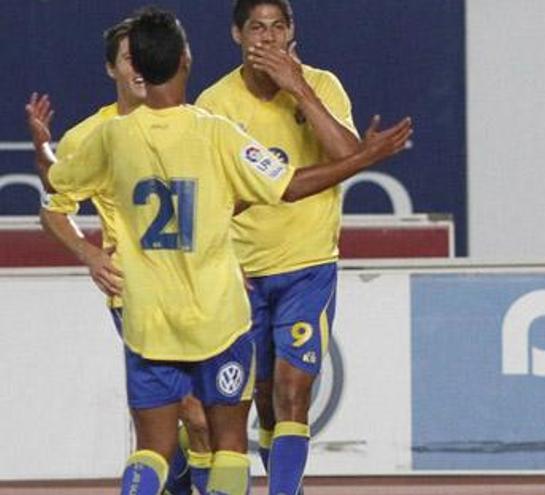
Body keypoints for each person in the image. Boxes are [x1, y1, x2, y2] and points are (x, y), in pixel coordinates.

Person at [38, 7, 412, 495]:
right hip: (220, 312)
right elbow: (288, 186)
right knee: (228, 443)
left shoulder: (111, 136)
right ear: (186, 60)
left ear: (138, 71)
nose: (268, 36)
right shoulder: (214, 129)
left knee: (153, 448)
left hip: (151, 316)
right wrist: (366, 156)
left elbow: (54, 188)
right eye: (257, 26)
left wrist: (85, 244)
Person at [24, 18, 210, 495]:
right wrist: (88, 253)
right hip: (137, 294)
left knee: (203, 421)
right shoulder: (93, 135)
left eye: (145, 56)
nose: (140, 68)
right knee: (187, 411)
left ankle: (180, 479)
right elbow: (53, 210)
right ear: (112, 69)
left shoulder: (193, 123)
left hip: (203, 292)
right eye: (128, 58)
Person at [195, 1, 363, 492]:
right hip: (241, 272)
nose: (266, 39)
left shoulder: (323, 84)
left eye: (276, 28)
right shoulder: (215, 103)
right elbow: (207, 196)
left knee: (293, 392)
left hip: (308, 266)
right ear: (237, 35)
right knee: (262, 398)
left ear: (291, 33)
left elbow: (350, 157)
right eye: (256, 28)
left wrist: (300, 89)